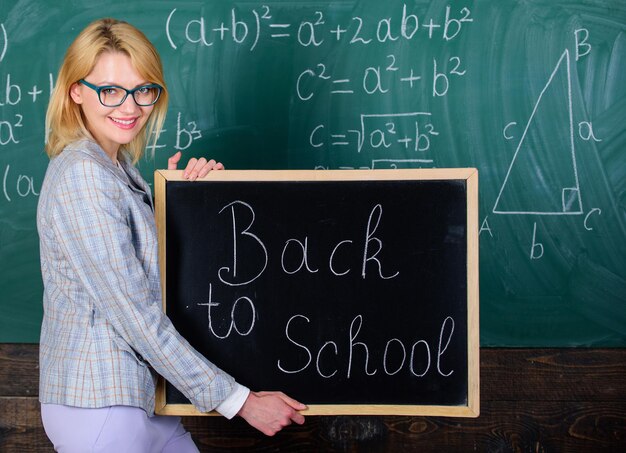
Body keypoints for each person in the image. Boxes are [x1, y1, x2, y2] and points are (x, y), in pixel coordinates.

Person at [37, 18, 306, 452]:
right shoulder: (84, 174)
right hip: (101, 403)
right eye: (110, 90)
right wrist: (241, 402)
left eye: (143, 90)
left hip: (139, 399)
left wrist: (192, 200)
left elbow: (150, 268)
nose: (130, 107)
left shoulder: (115, 169)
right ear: (76, 92)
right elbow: (134, 313)